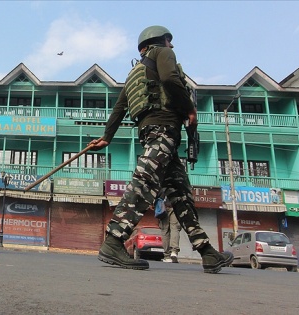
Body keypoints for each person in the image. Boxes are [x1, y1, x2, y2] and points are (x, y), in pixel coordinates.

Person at [88, 25, 233, 273]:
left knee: (181, 196)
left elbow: (119, 108)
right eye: (169, 40)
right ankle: (113, 240)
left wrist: (107, 137)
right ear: (158, 41)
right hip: (163, 130)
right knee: (144, 182)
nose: (172, 45)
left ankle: (207, 252)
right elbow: (170, 79)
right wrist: (189, 109)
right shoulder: (162, 54)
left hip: (154, 133)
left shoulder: (136, 72)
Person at [158, 199, 181, 263]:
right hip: (175, 206)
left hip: (163, 207)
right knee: (175, 229)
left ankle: (167, 256)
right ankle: (174, 251)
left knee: (165, 232)